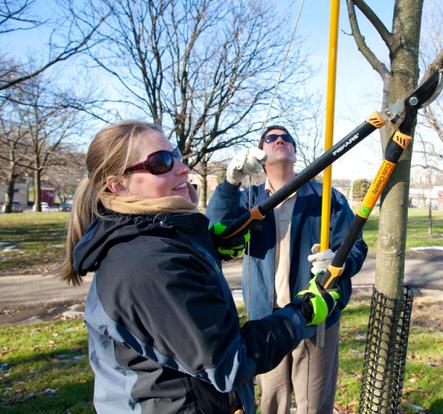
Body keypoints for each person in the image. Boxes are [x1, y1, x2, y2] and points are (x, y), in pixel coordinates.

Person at [59, 120, 340, 414]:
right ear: (117, 184)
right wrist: (303, 312)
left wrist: (207, 247)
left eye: (176, 155)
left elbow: (352, 248)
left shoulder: (161, 238)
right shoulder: (148, 263)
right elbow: (228, 361)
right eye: (161, 162)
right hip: (258, 332)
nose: (181, 168)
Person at [207, 125, 368, 414]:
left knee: (315, 404)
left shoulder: (326, 197)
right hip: (267, 322)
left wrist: (337, 262)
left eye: (286, 138)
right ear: (260, 154)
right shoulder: (249, 200)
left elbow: (355, 246)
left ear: (294, 151)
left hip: (315, 312)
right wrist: (231, 183)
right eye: (271, 138)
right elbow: (215, 230)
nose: (280, 140)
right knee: (271, 402)